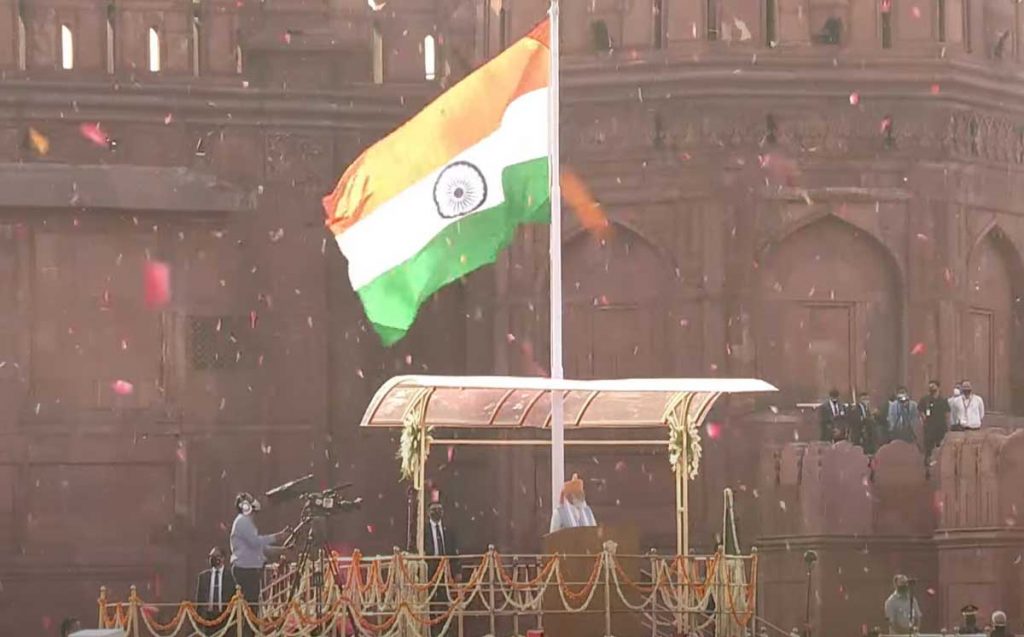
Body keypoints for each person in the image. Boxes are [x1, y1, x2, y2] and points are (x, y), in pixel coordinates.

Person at [229, 492, 289, 617]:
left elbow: (261, 548)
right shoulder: (242, 521)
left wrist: (282, 549)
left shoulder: (247, 523)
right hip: (245, 570)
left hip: (250, 570)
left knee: (253, 606)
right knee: (250, 608)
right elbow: (256, 542)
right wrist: (277, 537)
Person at [196, 546, 236, 631]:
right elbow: (199, 601)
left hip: (226, 618)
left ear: (222, 558)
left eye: (215, 556)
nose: (212, 559)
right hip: (208, 619)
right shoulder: (203, 577)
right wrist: (199, 621)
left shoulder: (232, 576)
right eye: (210, 556)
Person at [920, 380, 951, 463]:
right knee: (928, 449)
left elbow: (947, 413)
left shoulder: (943, 400)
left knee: (940, 448)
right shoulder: (925, 399)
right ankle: (927, 466)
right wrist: (923, 417)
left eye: (933, 387)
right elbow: (920, 410)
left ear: (938, 387)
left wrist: (948, 427)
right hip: (929, 428)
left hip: (941, 428)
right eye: (930, 387)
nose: (931, 388)